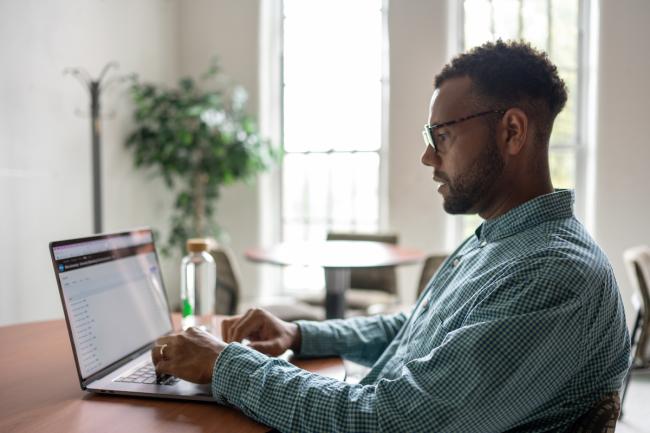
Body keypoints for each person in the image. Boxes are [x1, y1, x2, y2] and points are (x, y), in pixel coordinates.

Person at [151, 40, 630, 432]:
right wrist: (299, 333)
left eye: (441, 135)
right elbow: (414, 328)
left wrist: (226, 365)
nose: (428, 157)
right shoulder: (499, 240)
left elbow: (389, 422)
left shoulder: (553, 273)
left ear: (511, 131)